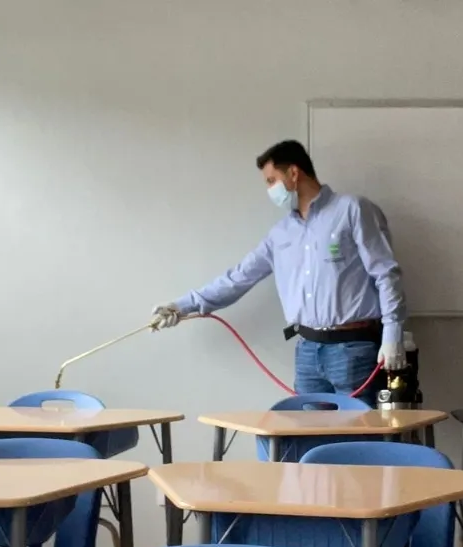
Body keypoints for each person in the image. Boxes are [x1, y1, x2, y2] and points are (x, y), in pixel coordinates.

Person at [150, 140, 407, 407]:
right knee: (309, 437)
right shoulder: (281, 234)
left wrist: (392, 335)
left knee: (358, 438)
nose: (270, 189)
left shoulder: (353, 210)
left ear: (294, 174)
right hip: (307, 351)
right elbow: (238, 278)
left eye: (272, 180)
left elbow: (386, 274)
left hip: (354, 350)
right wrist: (179, 307)